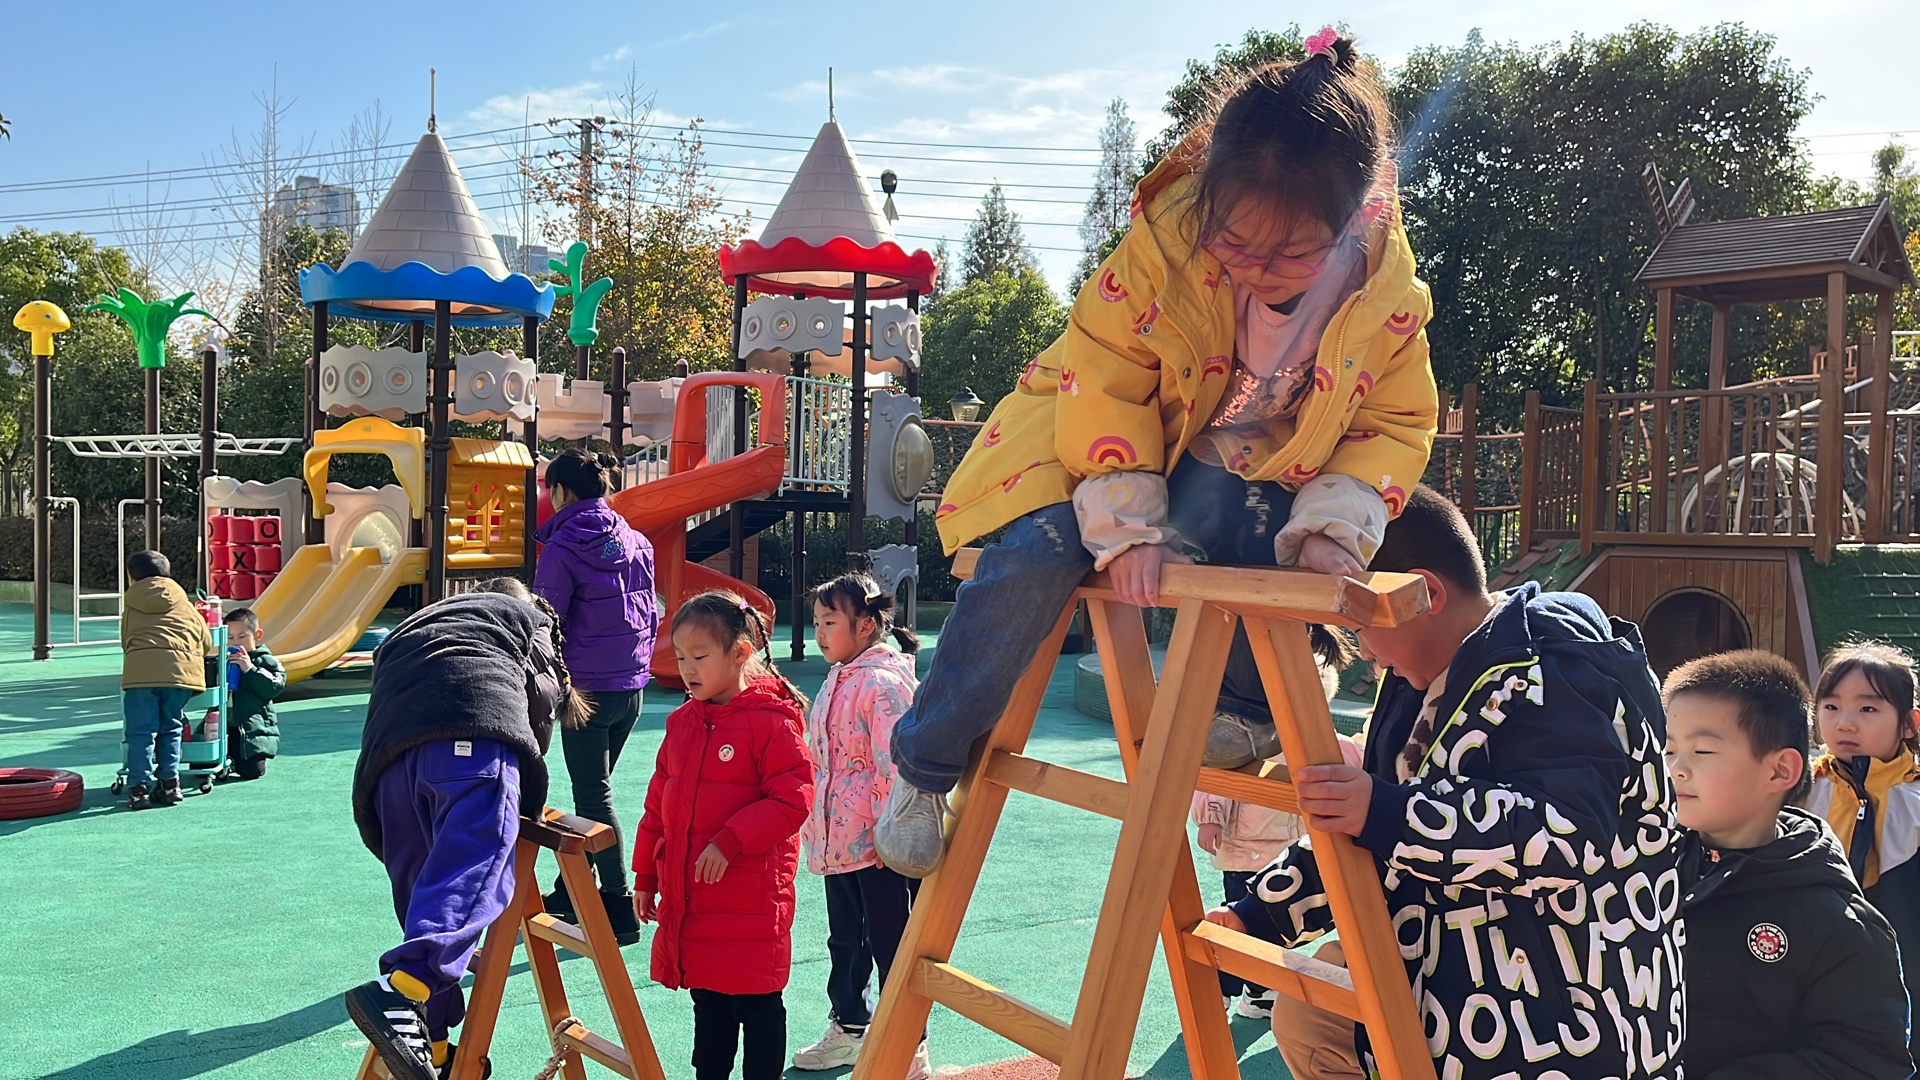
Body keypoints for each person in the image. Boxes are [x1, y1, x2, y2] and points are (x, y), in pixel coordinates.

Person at [878, 30, 1437, 879]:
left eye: (1290, 255)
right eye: (1234, 243)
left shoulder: (1385, 298)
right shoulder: (1163, 249)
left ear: (1355, 221)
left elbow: (1393, 424)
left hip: (1240, 462)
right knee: (1039, 550)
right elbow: (1106, 379)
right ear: (1208, 199)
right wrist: (1128, 527)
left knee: (1275, 538)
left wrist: (1337, 527)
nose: (1258, 271)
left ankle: (1248, 712)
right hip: (1090, 441)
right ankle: (925, 763)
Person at [1205, 485, 1682, 1080]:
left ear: (1423, 594)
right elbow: (1365, 829)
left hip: (1565, 1015)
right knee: (1310, 1013)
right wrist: (1262, 914)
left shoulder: (1556, 671)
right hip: (1453, 979)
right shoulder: (1416, 681)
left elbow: (1566, 835)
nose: (1363, 650)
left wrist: (1386, 813)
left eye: (1358, 626)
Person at [343, 578, 589, 1080]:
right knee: (474, 864)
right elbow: (540, 697)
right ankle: (405, 989)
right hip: (472, 736)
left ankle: (433, 1047)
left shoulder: (426, 621)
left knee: (425, 893)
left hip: (388, 767)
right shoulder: (524, 618)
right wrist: (526, 786)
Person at [1664, 650, 1911, 1079]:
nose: (1677, 769)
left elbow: (1866, 1057)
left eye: (1702, 750)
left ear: (1780, 771)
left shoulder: (1834, 920)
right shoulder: (1639, 869)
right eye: (1668, 750)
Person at [632, 591, 812, 1080]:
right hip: (695, 897)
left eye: (700, 656)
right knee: (708, 1001)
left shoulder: (771, 722)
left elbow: (793, 798)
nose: (687, 669)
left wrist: (731, 840)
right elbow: (657, 809)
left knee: (758, 1003)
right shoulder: (683, 724)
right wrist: (646, 876)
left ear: (739, 653)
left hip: (750, 898)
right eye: (681, 657)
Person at [790, 573, 928, 1076]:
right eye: (817, 623)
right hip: (840, 840)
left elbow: (896, 768)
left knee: (893, 943)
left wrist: (884, 832)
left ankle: (909, 1042)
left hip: (879, 844)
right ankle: (850, 1027)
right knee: (846, 939)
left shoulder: (882, 683)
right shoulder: (840, 676)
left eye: (830, 622)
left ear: (865, 625)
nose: (820, 633)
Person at [1191, 625, 1356, 1021]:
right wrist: (1210, 819)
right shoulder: (1249, 738)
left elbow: (1352, 761)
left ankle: (1260, 994)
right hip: (1242, 849)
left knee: (1275, 924)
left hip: (1283, 851)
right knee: (1237, 918)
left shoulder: (1320, 742)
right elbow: (1216, 780)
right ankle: (1223, 988)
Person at [533, 446, 657, 945]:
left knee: (593, 796)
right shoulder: (637, 540)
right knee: (594, 791)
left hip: (586, 687)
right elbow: (649, 609)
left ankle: (617, 902)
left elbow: (546, 621)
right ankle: (571, 889)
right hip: (631, 684)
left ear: (560, 492)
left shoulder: (563, 547)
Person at [1805, 640, 1920, 1065]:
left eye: (1867, 708)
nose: (1845, 723)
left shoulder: (1915, 802)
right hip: (1814, 979)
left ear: (1909, 723)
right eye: (1831, 707)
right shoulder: (1798, 792)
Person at [119, 550, 213, 810]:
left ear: (132, 577)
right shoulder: (184, 602)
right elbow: (205, 639)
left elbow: (126, 640)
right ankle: (170, 784)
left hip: (141, 675)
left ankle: (139, 789)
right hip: (180, 673)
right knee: (171, 726)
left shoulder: (131, 603)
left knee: (141, 731)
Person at [221, 607, 285, 781]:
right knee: (202, 765)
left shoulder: (265, 661)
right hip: (225, 725)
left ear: (257, 635)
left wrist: (250, 669)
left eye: (242, 637)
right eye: (230, 638)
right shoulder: (223, 661)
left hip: (252, 727)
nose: (236, 643)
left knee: (252, 771)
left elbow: (274, 687)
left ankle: (240, 760)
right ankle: (228, 760)